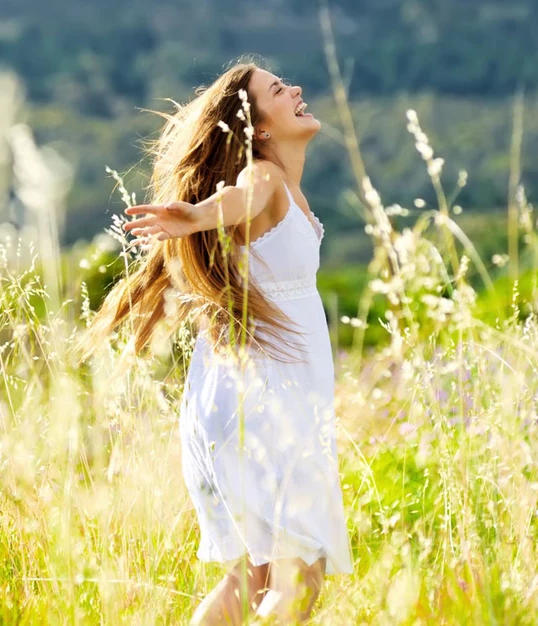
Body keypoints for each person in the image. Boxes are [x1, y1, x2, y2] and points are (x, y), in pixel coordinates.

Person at [73, 58, 354, 624]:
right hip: (263, 401)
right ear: (261, 128)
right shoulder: (265, 178)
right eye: (278, 89)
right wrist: (199, 214)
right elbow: (240, 199)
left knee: (253, 578)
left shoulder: (283, 187)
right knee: (298, 574)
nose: (296, 88)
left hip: (234, 399)